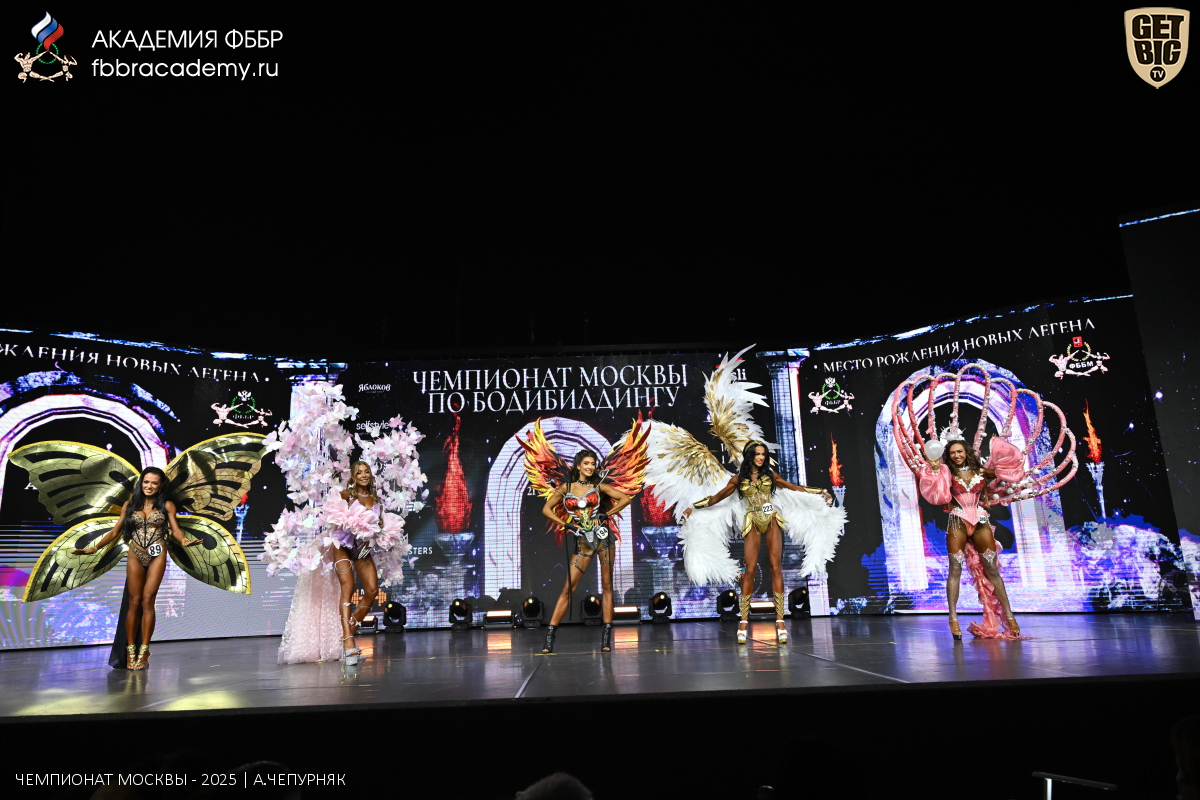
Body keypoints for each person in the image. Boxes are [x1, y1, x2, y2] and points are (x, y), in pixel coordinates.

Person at [684, 441, 834, 645]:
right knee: (750, 570)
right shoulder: (738, 479)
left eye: (763, 454)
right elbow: (717, 498)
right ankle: (743, 621)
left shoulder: (770, 476)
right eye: (757, 454)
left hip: (771, 520)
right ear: (750, 456)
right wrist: (693, 507)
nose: (761, 457)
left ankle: (780, 621)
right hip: (752, 521)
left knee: (775, 568)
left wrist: (820, 492)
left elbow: (795, 488)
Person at [73, 467, 202, 669]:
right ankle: (130, 650)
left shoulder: (167, 505)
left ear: (161, 485)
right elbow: (115, 531)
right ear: (141, 483)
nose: (149, 486)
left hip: (157, 552)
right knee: (134, 602)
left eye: (154, 483)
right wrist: (95, 548)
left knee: (147, 600)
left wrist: (184, 540)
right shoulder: (130, 504)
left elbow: (175, 530)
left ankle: (144, 650)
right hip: (135, 552)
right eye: (146, 482)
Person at [917, 435, 1024, 639]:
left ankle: (1010, 617)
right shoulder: (946, 472)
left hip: (980, 520)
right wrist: (935, 469)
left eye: (960, 451)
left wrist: (1012, 465)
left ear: (966, 452)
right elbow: (937, 492)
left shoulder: (980, 471)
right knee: (955, 569)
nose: (957, 455)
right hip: (957, 520)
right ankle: (953, 619)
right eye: (952, 453)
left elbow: (1004, 473)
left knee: (992, 570)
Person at [539, 449, 633, 654]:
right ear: (578, 466)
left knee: (607, 586)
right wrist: (567, 524)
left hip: (603, 539)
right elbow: (546, 509)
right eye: (587, 463)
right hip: (583, 541)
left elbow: (625, 499)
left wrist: (605, 515)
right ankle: (550, 636)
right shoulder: (566, 488)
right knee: (568, 588)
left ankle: (606, 638)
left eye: (593, 463)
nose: (591, 467)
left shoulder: (598, 487)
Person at [332, 461, 383, 666]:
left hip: (362, 549)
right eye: (359, 472)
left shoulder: (376, 500)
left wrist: (375, 537)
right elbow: (331, 514)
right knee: (348, 587)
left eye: (366, 472)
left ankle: (348, 635)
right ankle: (348, 643)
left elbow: (378, 527)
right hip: (343, 545)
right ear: (353, 477)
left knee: (371, 590)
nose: (363, 475)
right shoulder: (346, 495)